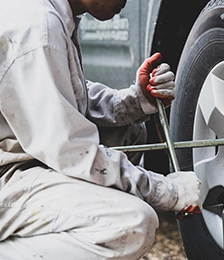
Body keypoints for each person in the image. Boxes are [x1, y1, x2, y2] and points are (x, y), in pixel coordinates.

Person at [0, 0, 202, 259]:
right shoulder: (36, 26)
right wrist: (168, 191)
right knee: (132, 226)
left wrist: (134, 102)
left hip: (21, 158)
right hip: (7, 178)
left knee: (130, 132)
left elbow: (59, 95)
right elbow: (72, 152)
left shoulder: (52, 13)